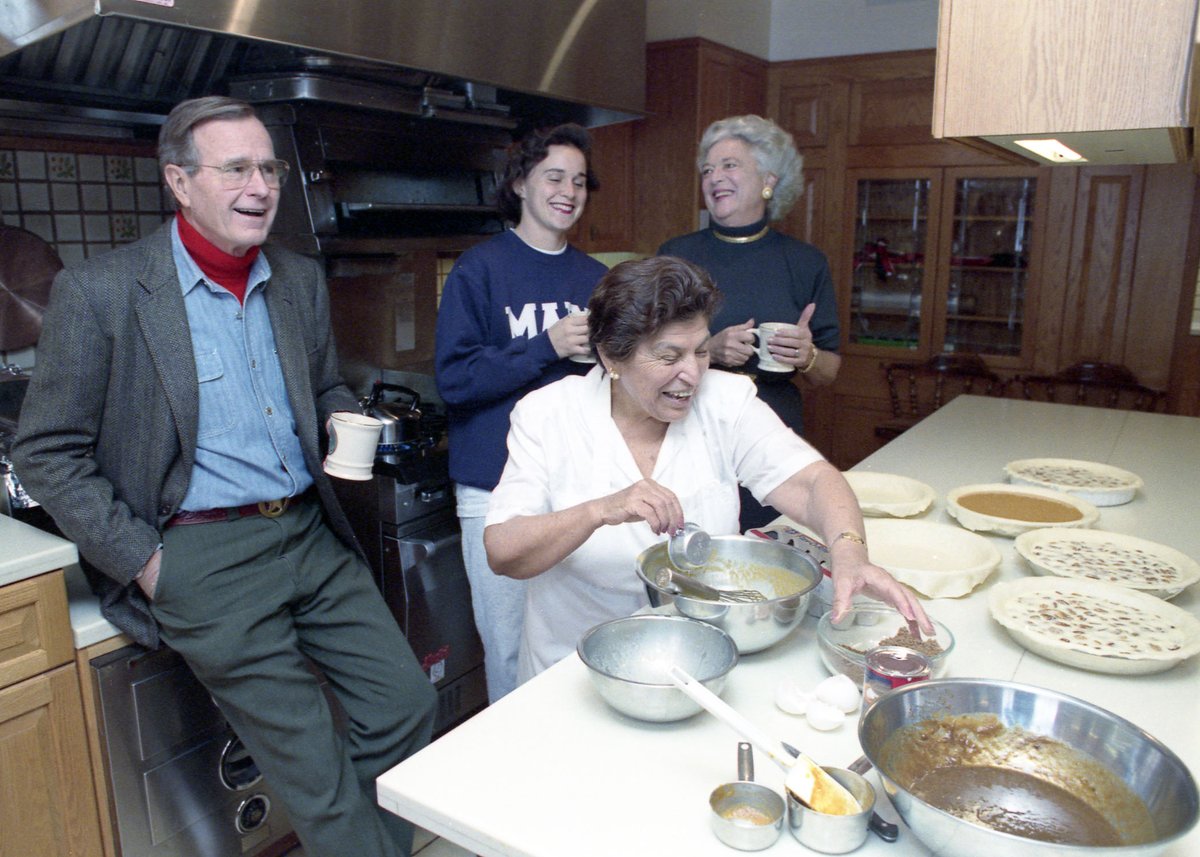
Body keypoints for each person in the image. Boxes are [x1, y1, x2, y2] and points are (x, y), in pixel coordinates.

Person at [12, 96, 436, 857]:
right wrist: (147, 561)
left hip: (308, 534)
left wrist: (341, 418)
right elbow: (45, 450)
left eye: (269, 168)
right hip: (200, 556)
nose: (260, 186)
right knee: (314, 772)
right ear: (179, 181)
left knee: (404, 705)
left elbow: (322, 386)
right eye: (236, 168)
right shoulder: (103, 291)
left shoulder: (296, 278)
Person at [482, 256, 930, 682]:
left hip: (702, 663)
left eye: (699, 351)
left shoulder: (725, 400)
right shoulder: (548, 414)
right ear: (611, 357)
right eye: (669, 356)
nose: (693, 374)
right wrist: (599, 510)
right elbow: (503, 551)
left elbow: (813, 481)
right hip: (572, 671)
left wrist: (850, 554)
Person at [435, 124, 606, 702]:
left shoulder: (596, 278)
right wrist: (546, 346)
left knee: (575, 643)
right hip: (493, 489)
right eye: (554, 177)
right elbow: (455, 381)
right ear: (519, 184)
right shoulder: (478, 269)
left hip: (577, 487)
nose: (568, 191)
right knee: (507, 647)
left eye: (578, 181)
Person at [658, 114, 841, 531]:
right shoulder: (675, 256)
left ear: (768, 180)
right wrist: (709, 349)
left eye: (730, 165)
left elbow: (829, 371)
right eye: (708, 169)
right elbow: (646, 353)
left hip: (773, 429)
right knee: (694, 539)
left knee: (765, 542)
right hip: (691, 424)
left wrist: (808, 356)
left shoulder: (806, 262)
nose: (715, 177)